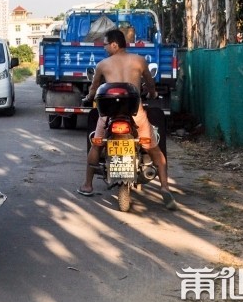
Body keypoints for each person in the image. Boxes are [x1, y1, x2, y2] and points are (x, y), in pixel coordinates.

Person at [76, 28, 177, 210]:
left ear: (114, 44)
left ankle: (87, 185)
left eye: (105, 44)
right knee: (153, 148)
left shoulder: (103, 65)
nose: (104, 47)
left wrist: (88, 98)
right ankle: (164, 187)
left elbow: (93, 90)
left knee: (97, 144)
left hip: (108, 115)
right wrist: (152, 93)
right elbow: (150, 82)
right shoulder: (139, 61)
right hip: (134, 113)